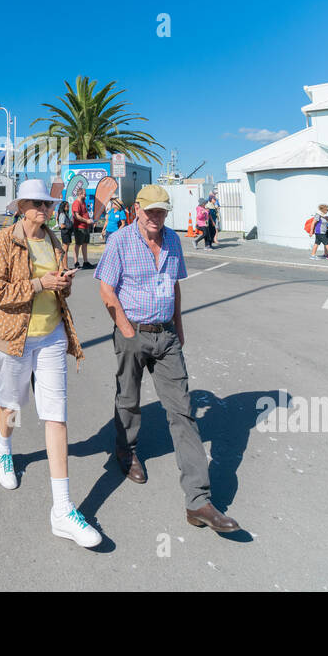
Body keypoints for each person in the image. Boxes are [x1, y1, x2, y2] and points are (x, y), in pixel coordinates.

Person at [95, 184, 240, 533]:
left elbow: (174, 285)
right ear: (137, 211)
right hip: (133, 332)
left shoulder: (173, 241)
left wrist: (178, 326)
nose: (157, 218)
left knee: (183, 413)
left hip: (167, 337)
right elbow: (106, 288)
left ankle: (198, 501)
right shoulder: (120, 241)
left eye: (162, 212)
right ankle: (126, 451)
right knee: (128, 400)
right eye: (151, 211)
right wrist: (126, 330)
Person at [0, 178, 100, 548]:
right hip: (13, 336)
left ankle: (62, 510)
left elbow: (58, 287)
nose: (45, 210)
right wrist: (40, 284)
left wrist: (63, 282)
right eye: (37, 204)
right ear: (20, 207)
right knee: (13, 405)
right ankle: (5, 449)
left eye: (48, 204)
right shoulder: (5, 240)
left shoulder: (53, 240)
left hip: (51, 335)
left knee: (56, 415)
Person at [70, 186, 93, 269]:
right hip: (79, 227)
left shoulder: (83, 203)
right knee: (78, 244)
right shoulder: (76, 203)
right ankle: (76, 262)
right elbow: (76, 216)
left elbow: (84, 214)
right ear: (80, 194)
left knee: (85, 244)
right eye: (84, 194)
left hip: (85, 227)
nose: (85, 196)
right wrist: (86, 221)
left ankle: (85, 262)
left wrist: (90, 220)